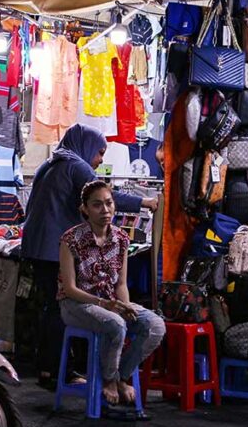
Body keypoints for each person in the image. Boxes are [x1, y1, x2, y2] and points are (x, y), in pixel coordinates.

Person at [21, 124, 157, 386]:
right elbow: (105, 196)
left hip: (36, 248)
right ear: (87, 146)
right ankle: (62, 372)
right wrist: (145, 202)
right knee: (62, 310)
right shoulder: (77, 166)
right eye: (100, 152)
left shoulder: (49, 164)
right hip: (53, 250)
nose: (101, 159)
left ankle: (51, 370)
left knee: (50, 308)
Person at [58, 180, 165, 405]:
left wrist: (125, 306)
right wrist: (104, 304)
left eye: (109, 203)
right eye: (97, 205)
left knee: (155, 326)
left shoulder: (121, 239)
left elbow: (121, 285)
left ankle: (122, 375)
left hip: (111, 303)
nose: (105, 210)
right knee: (115, 324)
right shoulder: (70, 240)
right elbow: (69, 289)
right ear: (84, 209)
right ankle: (108, 380)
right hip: (76, 305)